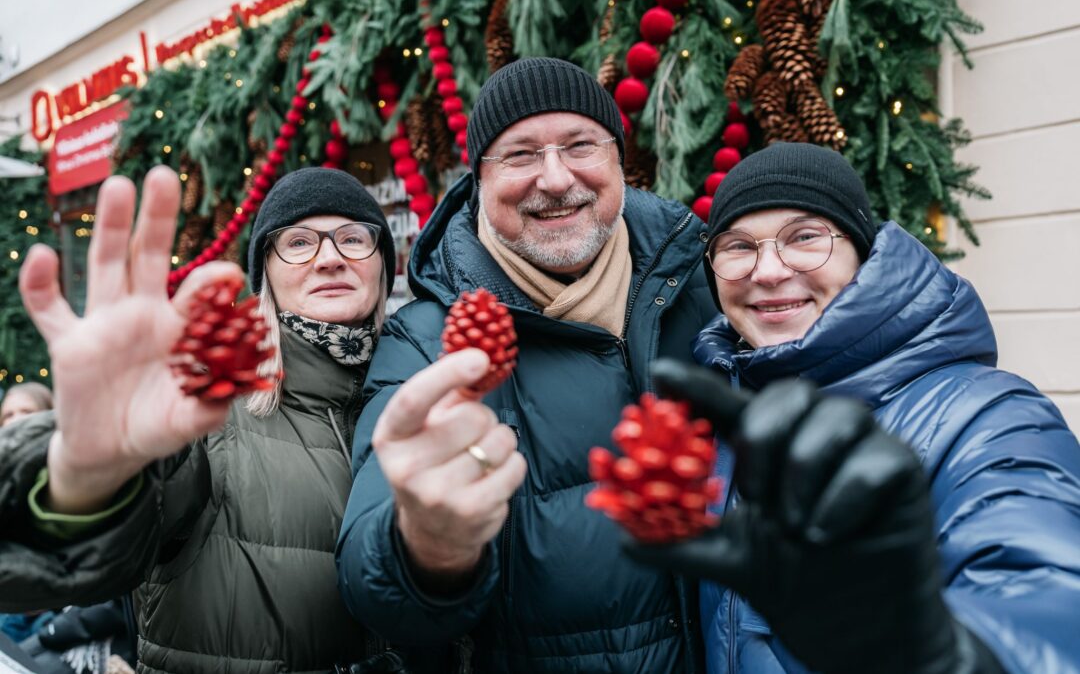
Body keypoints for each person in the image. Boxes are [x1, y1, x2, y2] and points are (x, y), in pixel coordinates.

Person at [625, 142, 1080, 673]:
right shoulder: (721, 419)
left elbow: (1048, 603)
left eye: (805, 237)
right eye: (737, 246)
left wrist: (939, 655)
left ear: (862, 255)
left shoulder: (990, 416)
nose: (768, 270)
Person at [335, 57, 717, 672]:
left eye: (580, 146)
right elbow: (372, 584)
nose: (557, 178)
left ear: (620, 160)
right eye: (519, 155)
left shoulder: (709, 283)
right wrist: (428, 547)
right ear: (479, 180)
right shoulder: (427, 342)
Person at [0, 166, 405, 672]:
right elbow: (80, 561)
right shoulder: (205, 414)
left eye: (353, 238)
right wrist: (88, 477)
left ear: (382, 265)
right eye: (299, 243)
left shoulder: (426, 391)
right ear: (267, 277)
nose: (329, 258)